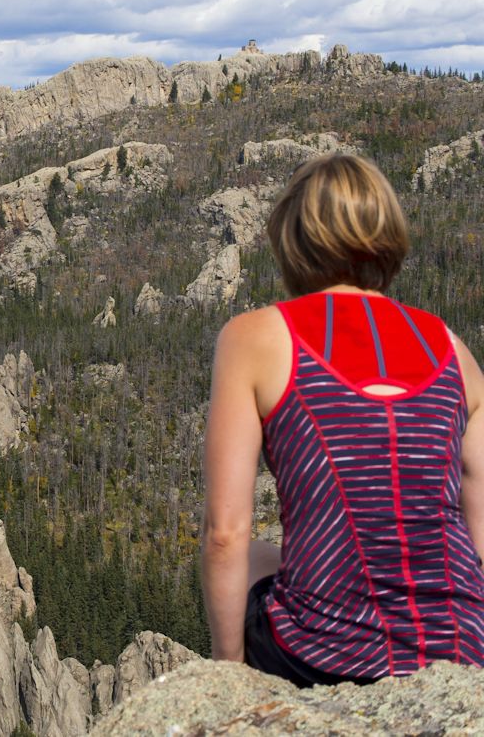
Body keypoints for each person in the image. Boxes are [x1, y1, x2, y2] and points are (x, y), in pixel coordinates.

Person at [201, 152, 484, 686]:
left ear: (292, 238)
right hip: (461, 644)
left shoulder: (256, 337)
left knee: (255, 554)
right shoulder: (452, 349)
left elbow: (225, 533)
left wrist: (228, 678)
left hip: (329, 652)